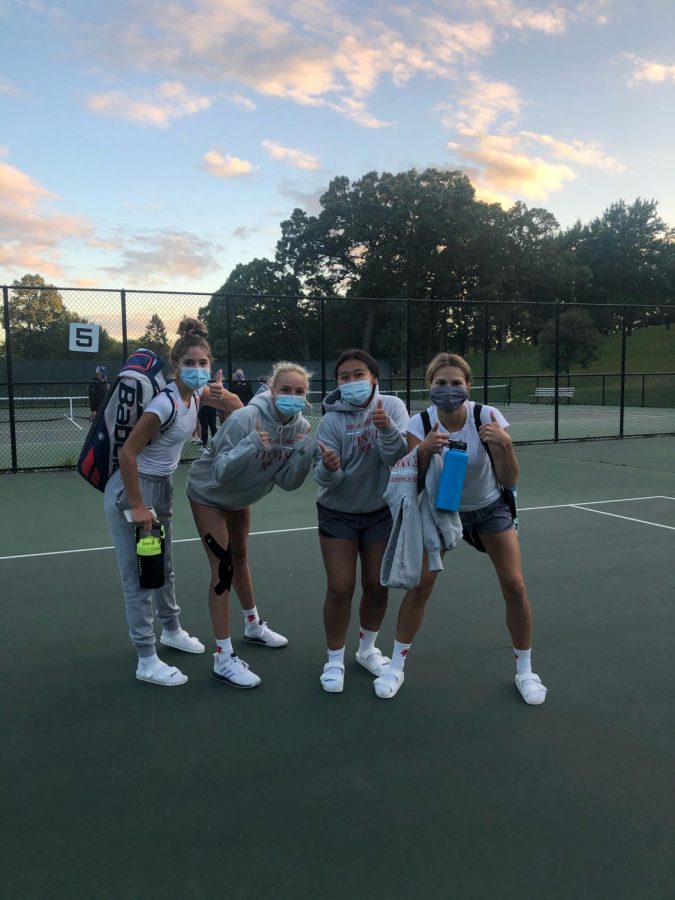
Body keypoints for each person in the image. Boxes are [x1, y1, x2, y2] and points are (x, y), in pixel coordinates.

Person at [372, 352, 547, 705]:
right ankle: (395, 667)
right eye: (441, 383)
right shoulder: (419, 424)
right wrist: (422, 452)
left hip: (489, 509)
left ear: (468, 385)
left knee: (514, 585)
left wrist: (506, 445)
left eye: (456, 383)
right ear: (430, 386)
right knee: (420, 586)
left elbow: (509, 479)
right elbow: (415, 485)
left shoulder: (488, 417)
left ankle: (526, 671)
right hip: (441, 511)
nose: (448, 390)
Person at [103, 318, 243, 687]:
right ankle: (146, 658)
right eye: (190, 364)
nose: (197, 370)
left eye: (203, 364)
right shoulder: (163, 404)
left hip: (162, 487)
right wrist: (137, 505)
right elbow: (128, 454)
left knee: (163, 566)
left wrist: (225, 399)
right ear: (175, 365)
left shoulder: (195, 396)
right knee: (139, 576)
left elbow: (235, 414)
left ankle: (172, 629)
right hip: (132, 490)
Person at [187, 361, 316, 688]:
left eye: (298, 391)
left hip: (242, 495)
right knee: (224, 568)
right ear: (272, 391)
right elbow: (221, 472)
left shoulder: (301, 428)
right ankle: (223, 657)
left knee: (241, 558)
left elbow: (287, 482)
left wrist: (303, 454)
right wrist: (251, 445)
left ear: (306, 395)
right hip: (209, 492)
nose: (292, 395)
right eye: (285, 389)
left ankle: (253, 625)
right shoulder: (246, 418)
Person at [314, 349, 409, 694]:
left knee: (376, 583)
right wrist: (330, 468)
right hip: (337, 511)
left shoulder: (392, 407)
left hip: (380, 511)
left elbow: (399, 460)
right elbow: (325, 480)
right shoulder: (330, 420)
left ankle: (367, 650)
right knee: (340, 586)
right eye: (344, 376)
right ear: (337, 383)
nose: (352, 381)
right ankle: (334, 659)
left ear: (374, 378)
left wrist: (386, 430)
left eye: (358, 374)